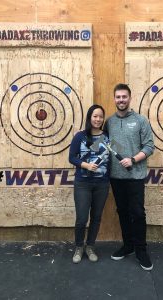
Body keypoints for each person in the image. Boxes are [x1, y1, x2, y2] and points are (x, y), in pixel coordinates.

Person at [104, 83, 155, 271]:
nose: (121, 100)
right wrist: (83, 136)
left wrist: (132, 160)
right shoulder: (109, 122)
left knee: (138, 213)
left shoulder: (141, 121)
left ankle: (141, 250)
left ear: (130, 98)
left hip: (135, 176)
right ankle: (128, 246)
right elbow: (104, 143)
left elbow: (149, 146)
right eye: (118, 97)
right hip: (116, 177)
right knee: (123, 212)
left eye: (124, 97)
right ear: (114, 99)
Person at [69, 104, 110, 264]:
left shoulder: (107, 137)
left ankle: (90, 246)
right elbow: (71, 157)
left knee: (96, 217)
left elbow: (114, 157)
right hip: (83, 183)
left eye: (100, 116)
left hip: (102, 184)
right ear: (89, 117)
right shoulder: (79, 136)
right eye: (95, 116)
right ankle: (79, 246)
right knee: (81, 218)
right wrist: (85, 165)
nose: (98, 119)